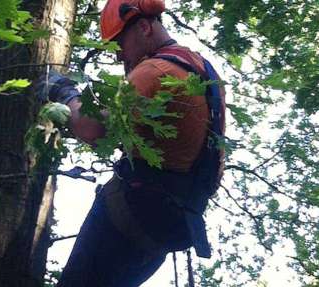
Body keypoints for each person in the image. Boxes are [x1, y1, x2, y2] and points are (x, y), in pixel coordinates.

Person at [36, 0, 226, 286]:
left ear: (144, 27)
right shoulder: (202, 70)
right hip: (171, 224)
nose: (118, 56)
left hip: (132, 216)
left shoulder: (156, 71)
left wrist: (66, 95)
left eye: (119, 44)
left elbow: (92, 129)